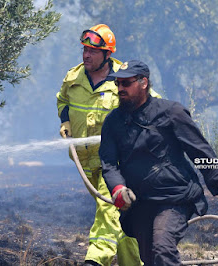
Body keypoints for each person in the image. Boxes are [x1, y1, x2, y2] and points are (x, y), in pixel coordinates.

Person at [99, 60, 218, 265]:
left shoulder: (171, 113)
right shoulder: (112, 122)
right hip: (140, 202)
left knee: (163, 248)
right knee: (150, 259)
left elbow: (200, 152)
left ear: (144, 83)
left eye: (126, 83)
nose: (120, 89)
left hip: (175, 197)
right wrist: (117, 188)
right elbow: (108, 163)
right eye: (118, 84)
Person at [56, 25, 160, 266]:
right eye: (84, 49)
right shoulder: (73, 78)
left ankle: (95, 259)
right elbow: (62, 100)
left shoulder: (125, 79)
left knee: (107, 206)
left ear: (107, 54)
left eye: (92, 51)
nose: (86, 55)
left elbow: (153, 105)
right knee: (121, 215)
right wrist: (65, 121)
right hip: (86, 160)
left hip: (118, 161)